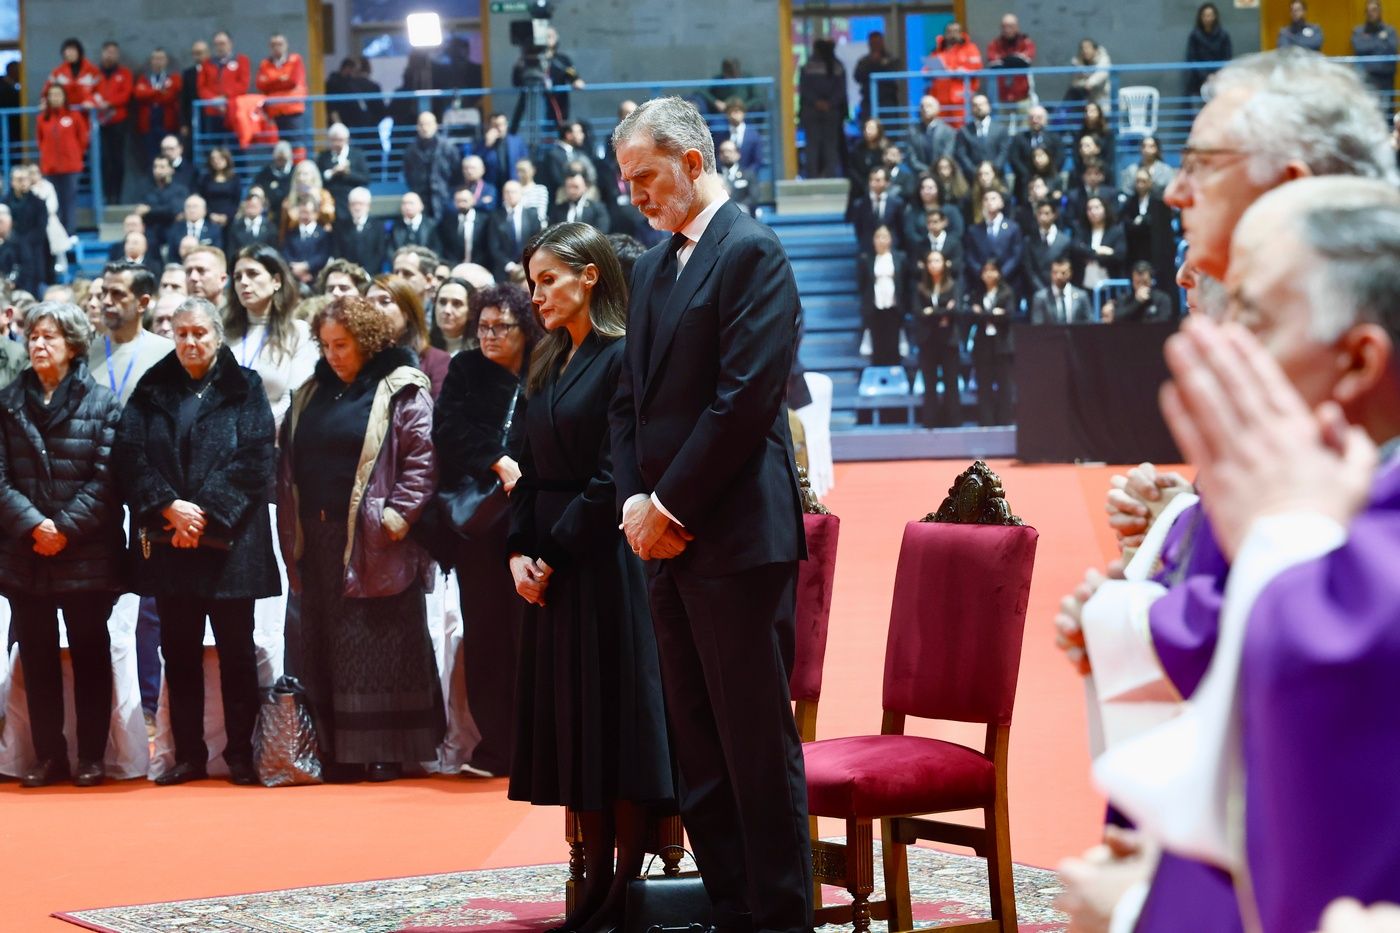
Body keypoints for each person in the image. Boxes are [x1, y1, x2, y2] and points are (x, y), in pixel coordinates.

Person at [1056, 52, 1400, 931]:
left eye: (1202, 162)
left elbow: (1336, 705)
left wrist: (1138, 911)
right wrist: (1164, 548)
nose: (1175, 188)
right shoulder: (1297, 405)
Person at [610, 96, 812, 933]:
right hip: (666, 543)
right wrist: (634, 502)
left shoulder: (753, 251)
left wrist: (669, 505)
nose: (637, 197)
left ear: (692, 163)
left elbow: (742, 404)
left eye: (646, 177)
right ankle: (731, 910)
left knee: (754, 747)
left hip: (734, 538)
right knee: (697, 746)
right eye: (627, 182)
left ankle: (780, 917)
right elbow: (627, 403)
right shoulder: (654, 268)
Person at [506, 221, 674, 930]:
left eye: (548, 279)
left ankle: (622, 890)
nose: (536, 295)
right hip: (553, 570)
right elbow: (521, 465)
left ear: (590, 277)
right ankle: (594, 879)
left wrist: (555, 550)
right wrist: (518, 550)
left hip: (605, 566)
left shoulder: (619, 356)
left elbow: (616, 472)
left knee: (619, 728)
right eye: (532, 282)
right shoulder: (546, 357)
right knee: (579, 727)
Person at [278, 295, 443, 783]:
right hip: (319, 538)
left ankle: (384, 751)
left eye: (342, 344)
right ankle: (333, 749)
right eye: (326, 345)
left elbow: (422, 457)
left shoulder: (400, 387)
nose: (333, 354)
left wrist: (396, 518)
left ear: (368, 341)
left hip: (376, 536)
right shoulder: (310, 392)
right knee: (325, 644)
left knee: (380, 646)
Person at [114, 296, 277, 786]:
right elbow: (128, 455)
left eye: (199, 333)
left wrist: (203, 512)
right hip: (170, 544)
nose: (189, 342)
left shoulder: (245, 385)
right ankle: (188, 755)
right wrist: (168, 506)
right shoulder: (151, 387)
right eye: (181, 333)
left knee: (237, 655)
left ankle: (241, 757)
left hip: (232, 543)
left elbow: (255, 459)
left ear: (217, 334)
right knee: (178, 654)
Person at [0, 301, 124, 787]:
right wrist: (34, 526)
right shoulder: (8, 401)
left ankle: (91, 756)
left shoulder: (105, 403)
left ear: (73, 346)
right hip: (24, 549)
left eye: (49, 337)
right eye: (33, 337)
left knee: (91, 652)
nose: (38, 344)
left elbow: (108, 480)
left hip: (86, 551)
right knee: (37, 655)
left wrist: (63, 529)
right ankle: (49, 755)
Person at [433, 283, 541, 778]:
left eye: (502, 327)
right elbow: (448, 431)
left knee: (532, 633)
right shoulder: (466, 368)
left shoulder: (548, 364)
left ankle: (539, 746)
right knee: (485, 634)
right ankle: (497, 746)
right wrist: (497, 461)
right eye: (484, 328)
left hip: (536, 517)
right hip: (478, 521)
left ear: (525, 328)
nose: (491, 336)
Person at [226, 243, 316, 429]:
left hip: (274, 442)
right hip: (225, 442)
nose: (243, 282)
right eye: (237, 277)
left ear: (276, 280)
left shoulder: (299, 332)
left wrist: (254, 433)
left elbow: (295, 399)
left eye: (252, 274)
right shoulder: (224, 335)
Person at [90, 262, 172, 406]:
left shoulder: (168, 353)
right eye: (104, 292)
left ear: (143, 303)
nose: (106, 301)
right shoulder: (84, 353)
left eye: (117, 294)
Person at [366, 273, 450, 398]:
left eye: (385, 302)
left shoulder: (437, 361)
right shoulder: (361, 359)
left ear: (407, 313)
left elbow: (438, 414)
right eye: (368, 303)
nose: (375, 309)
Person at [911, 249, 963, 427]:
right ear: (926, 265)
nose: (934, 264)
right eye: (931, 261)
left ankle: (953, 421)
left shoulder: (953, 285)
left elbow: (956, 310)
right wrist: (942, 312)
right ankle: (930, 422)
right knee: (929, 383)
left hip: (949, 340)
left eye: (937, 260)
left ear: (944, 264)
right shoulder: (920, 287)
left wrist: (932, 312)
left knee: (951, 382)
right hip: (927, 340)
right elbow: (918, 312)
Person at [966, 257, 1017, 425]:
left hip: (1002, 345)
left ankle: (1005, 421)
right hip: (982, 346)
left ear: (999, 273)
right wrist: (994, 314)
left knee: (1004, 386)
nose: (989, 274)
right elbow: (972, 316)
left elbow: (1008, 316)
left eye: (992, 270)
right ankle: (986, 422)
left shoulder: (1007, 292)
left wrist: (984, 314)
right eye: (985, 271)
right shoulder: (977, 294)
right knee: (984, 387)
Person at [509, 25, 585, 132]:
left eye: (550, 36)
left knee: (558, 131)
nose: (547, 39)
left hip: (557, 105)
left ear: (556, 39)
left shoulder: (562, 59)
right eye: (544, 36)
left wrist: (576, 80)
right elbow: (516, 82)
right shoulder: (527, 60)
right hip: (534, 103)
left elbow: (572, 75)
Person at [36, 84, 87, 243]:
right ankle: (56, 234)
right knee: (53, 201)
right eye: (52, 95)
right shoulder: (42, 118)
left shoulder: (75, 116)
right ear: (48, 98)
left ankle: (70, 232)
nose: (55, 98)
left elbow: (83, 139)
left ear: (64, 97)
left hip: (71, 166)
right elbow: (40, 140)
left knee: (69, 199)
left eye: (58, 94)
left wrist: (75, 154)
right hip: (50, 167)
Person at [1123, 169, 1179, 311]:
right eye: (1137, 181)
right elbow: (1126, 224)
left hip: (1156, 252)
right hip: (1137, 252)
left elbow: (1161, 229)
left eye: (1143, 181)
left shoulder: (1159, 203)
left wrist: (1142, 223)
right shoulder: (1130, 203)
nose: (1140, 184)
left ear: (1150, 183)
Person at [798, 38, 847, 180]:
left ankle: (812, 177)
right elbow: (841, 91)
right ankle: (830, 176)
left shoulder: (807, 66)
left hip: (811, 111)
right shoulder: (838, 66)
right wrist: (829, 104)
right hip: (831, 112)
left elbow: (804, 90)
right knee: (830, 146)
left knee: (812, 146)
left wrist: (816, 102)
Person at [857, 225, 906, 365]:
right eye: (878, 236)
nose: (881, 240)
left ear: (891, 239)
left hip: (894, 308)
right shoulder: (866, 258)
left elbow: (905, 283)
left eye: (884, 236)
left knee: (894, 344)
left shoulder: (900, 258)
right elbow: (862, 284)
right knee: (877, 345)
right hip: (874, 308)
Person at [93, 41, 133, 204]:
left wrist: (109, 103)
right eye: (108, 52)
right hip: (99, 122)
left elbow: (126, 93)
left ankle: (117, 195)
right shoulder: (95, 73)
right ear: (102, 53)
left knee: (117, 159)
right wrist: (98, 103)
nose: (110, 55)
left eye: (114, 52)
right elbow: (88, 93)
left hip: (118, 121)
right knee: (102, 159)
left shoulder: (125, 73)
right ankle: (104, 194)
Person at [963, 189, 1023, 293]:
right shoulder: (974, 230)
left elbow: (1016, 255)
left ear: (1001, 203)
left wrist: (1001, 273)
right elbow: (970, 255)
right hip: (981, 284)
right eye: (986, 199)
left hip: (1008, 282)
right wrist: (983, 273)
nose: (989, 202)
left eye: (993, 198)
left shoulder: (1013, 228)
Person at [984, 14, 1037, 129]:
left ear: (1017, 27)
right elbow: (993, 63)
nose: (1007, 30)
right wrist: (1014, 59)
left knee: (1025, 130)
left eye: (1010, 26)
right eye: (1004, 26)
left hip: (1023, 96)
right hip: (1003, 97)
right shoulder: (994, 44)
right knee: (1001, 130)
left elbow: (1026, 61)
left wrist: (1005, 61)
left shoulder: (1026, 42)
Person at [403, 111, 459, 218]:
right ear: (417, 127)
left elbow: (457, 173)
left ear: (436, 125)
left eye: (428, 124)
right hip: (421, 201)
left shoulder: (448, 148)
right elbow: (408, 175)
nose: (425, 128)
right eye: (421, 124)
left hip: (445, 199)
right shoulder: (411, 150)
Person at [926, 21, 982, 127]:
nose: (952, 35)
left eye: (956, 31)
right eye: (949, 32)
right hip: (940, 100)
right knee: (942, 131)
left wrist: (957, 71)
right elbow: (926, 70)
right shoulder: (937, 51)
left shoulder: (970, 49)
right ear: (945, 34)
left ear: (961, 33)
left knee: (963, 130)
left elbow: (976, 67)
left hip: (962, 100)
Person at [486, 180, 543, 282]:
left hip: (529, 268)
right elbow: (493, 246)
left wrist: (524, 263)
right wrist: (509, 266)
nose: (510, 195)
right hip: (503, 269)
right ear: (503, 195)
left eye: (514, 192)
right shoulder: (495, 216)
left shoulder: (532, 215)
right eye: (507, 192)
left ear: (521, 194)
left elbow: (537, 242)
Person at [133, 48, 181, 167]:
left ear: (166, 61)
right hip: (148, 125)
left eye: (161, 58)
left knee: (170, 155)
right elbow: (139, 94)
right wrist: (159, 91)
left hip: (167, 124)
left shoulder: (173, 77)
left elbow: (170, 96)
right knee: (151, 158)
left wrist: (150, 93)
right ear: (151, 61)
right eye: (155, 58)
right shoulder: (144, 79)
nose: (158, 61)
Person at [255, 33, 307, 143]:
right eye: (273, 44)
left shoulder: (296, 60)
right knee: (277, 146)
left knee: (296, 144)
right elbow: (261, 84)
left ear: (286, 45)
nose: (277, 47)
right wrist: (281, 79)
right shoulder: (265, 64)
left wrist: (271, 81)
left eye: (280, 44)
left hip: (292, 110)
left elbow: (293, 82)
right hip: (273, 112)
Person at [197, 30, 251, 133]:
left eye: (222, 43)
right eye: (217, 44)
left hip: (234, 109)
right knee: (213, 145)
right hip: (212, 111)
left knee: (234, 143)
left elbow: (243, 84)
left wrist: (225, 98)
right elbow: (201, 87)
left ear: (230, 44)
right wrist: (214, 100)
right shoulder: (206, 64)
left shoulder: (242, 60)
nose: (220, 47)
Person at [1009, 105, 1065, 202]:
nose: (1035, 120)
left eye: (1039, 117)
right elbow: (1014, 159)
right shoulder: (1019, 138)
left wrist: (1048, 172)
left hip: (1050, 181)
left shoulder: (1055, 138)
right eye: (1031, 117)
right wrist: (1028, 175)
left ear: (1045, 119)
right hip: (1024, 183)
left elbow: (1060, 157)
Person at [137, 156, 189, 258]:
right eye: (155, 167)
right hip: (152, 236)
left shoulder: (180, 190)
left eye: (162, 167)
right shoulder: (146, 189)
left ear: (171, 170)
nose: (158, 170)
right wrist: (163, 211)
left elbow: (174, 211)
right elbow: (141, 211)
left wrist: (150, 210)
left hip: (173, 234)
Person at [1070, 195, 1125, 290]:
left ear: (1105, 209)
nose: (1093, 212)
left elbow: (1119, 256)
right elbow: (1076, 249)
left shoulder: (1116, 231)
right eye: (1089, 209)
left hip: (1109, 285)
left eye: (1097, 207)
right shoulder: (1081, 230)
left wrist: (1088, 253)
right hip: (1084, 285)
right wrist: (1098, 251)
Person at [316, 123, 369, 218]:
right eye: (333, 140)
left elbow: (365, 179)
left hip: (351, 202)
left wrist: (347, 173)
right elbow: (317, 180)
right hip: (330, 203)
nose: (337, 144)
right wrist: (332, 172)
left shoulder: (357, 155)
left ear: (347, 140)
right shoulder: (323, 157)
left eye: (340, 140)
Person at [954, 94, 1010, 181]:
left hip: (997, 178)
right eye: (976, 105)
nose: (979, 107)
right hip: (972, 180)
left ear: (989, 106)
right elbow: (961, 154)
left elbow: (1004, 152)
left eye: (982, 104)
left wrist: (992, 171)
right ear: (971, 109)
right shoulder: (964, 131)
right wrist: (976, 172)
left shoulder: (1001, 129)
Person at [331, 186, 387, 274]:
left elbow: (380, 252)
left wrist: (365, 273)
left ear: (368, 206)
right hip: (347, 274)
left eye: (361, 204)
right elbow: (337, 252)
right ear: (349, 206)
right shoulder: (340, 226)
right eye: (354, 204)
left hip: (372, 274)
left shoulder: (378, 226)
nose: (357, 207)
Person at [1024, 200, 1073, 298]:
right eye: (1040, 213)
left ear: (1054, 215)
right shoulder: (1029, 241)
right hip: (1035, 291)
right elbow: (1029, 270)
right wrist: (1041, 289)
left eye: (1046, 213)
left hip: (1060, 289)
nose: (1043, 217)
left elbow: (1067, 267)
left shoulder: (1064, 240)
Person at [1186, 3, 1233, 99]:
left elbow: (1227, 57)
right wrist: (1205, 76)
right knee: (1200, 111)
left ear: (1215, 16)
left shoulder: (1223, 35)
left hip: (1220, 80)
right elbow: (1192, 58)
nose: (1207, 18)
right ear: (1200, 17)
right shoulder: (1194, 35)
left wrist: (1216, 75)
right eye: (1205, 15)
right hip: (1198, 81)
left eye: (1210, 15)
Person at [1102, 260, 1173, 323]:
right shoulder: (1125, 299)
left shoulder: (1162, 298)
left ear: (1151, 281)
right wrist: (1137, 302)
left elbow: (1164, 321)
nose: (1141, 286)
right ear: (1132, 282)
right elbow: (1116, 318)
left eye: (1145, 282)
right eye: (1137, 282)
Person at [279, 159, 334, 240]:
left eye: (305, 174)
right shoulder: (289, 199)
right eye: (299, 174)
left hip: (320, 240)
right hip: (296, 241)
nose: (301, 178)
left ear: (313, 176)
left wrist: (317, 199)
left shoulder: (323, 195)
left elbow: (329, 217)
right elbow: (284, 228)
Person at [473, 112, 529, 192]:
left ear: (506, 125)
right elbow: (476, 162)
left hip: (513, 184)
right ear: (489, 126)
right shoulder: (482, 144)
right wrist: (486, 146)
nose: (498, 128)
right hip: (492, 185)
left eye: (501, 125)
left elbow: (525, 161)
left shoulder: (517, 141)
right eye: (495, 125)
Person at [283, 196, 332, 284]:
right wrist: (296, 271)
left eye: (307, 212)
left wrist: (306, 267)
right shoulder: (291, 232)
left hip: (316, 278)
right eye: (301, 212)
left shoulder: (323, 234)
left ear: (316, 213)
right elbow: (286, 253)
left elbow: (323, 256)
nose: (303, 216)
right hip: (293, 279)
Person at [1353, 1, 1398, 96]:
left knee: (1386, 108)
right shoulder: (1358, 31)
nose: (1371, 13)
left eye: (1374, 10)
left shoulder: (1390, 31)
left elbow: (1392, 49)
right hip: (1366, 79)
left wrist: (1369, 44)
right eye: (1368, 11)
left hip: (1386, 79)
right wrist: (1380, 40)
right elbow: (1360, 48)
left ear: (1380, 11)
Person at [439, 188, 492, 269]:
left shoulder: (485, 220)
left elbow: (488, 246)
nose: (461, 204)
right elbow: (446, 248)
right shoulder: (448, 222)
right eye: (458, 201)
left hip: (480, 266)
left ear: (473, 200)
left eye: (465, 200)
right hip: (455, 266)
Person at [853, 31, 899, 124]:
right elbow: (857, 77)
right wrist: (871, 63)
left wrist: (880, 64)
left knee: (890, 130)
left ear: (882, 43)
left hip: (888, 102)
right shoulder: (864, 61)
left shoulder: (891, 59)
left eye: (877, 43)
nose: (875, 46)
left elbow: (894, 74)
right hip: (868, 103)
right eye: (873, 43)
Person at [1030, 256, 1091, 324]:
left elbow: (1089, 323)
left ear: (1070, 273)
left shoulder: (1081, 296)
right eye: (1055, 272)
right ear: (1051, 273)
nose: (1059, 276)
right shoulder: (1040, 298)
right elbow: (1037, 326)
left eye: (1063, 273)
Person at [43, 38, 102, 109]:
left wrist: (92, 102)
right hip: (64, 114)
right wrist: (45, 102)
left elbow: (100, 92)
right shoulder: (57, 73)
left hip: (87, 114)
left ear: (79, 52)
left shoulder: (93, 71)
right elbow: (46, 92)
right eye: (67, 51)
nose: (69, 53)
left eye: (72, 50)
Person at [906, 96, 956, 174]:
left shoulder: (947, 131)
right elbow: (911, 157)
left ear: (937, 109)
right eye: (922, 106)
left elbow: (947, 154)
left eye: (929, 106)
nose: (925, 109)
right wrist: (925, 170)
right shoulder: (912, 131)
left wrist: (936, 170)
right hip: (920, 176)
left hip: (941, 174)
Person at [715, 98, 764, 177]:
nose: (733, 115)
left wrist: (746, 175)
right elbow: (717, 158)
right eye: (730, 112)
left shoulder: (754, 136)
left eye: (736, 111)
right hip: (726, 180)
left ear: (743, 113)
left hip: (748, 182)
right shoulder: (721, 135)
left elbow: (758, 161)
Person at [166, 194, 224, 259]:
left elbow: (217, 254)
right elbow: (171, 256)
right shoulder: (176, 229)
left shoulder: (214, 229)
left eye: (195, 207)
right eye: (188, 207)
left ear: (204, 210)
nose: (192, 210)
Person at [197, 147, 241, 228]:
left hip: (229, 220)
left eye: (220, 158)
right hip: (209, 219)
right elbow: (202, 199)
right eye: (213, 158)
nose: (216, 161)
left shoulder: (234, 178)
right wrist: (210, 214)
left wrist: (227, 217)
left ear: (227, 159)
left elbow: (236, 201)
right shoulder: (205, 179)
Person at [387, 192, 442, 257]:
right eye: (404, 203)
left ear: (421, 206)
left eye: (411, 203)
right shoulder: (395, 227)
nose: (407, 207)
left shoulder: (432, 225)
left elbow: (437, 250)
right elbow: (390, 250)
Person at [428, 276, 473, 355]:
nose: (447, 310)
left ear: (471, 311)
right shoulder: (422, 345)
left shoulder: (481, 350)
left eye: (456, 304)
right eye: (442, 302)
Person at [847, 117, 887, 204]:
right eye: (866, 128)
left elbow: (887, 169)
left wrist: (876, 183)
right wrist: (865, 184)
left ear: (879, 130)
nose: (868, 131)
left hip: (881, 187)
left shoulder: (885, 148)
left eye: (872, 128)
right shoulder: (857, 148)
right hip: (860, 188)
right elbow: (852, 169)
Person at [227, 187, 277, 253]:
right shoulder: (234, 227)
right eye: (250, 206)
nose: (251, 210)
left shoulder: (271, 228)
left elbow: (272, 253)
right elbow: (231, 251)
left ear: (262, 207)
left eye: (254, 206)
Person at [252, 141, 295, 219]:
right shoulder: (265, 172)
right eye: (279, 158)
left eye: (283, 159)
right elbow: (256, 187)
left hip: (290, 212)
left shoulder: (295, 171)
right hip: (269, 212)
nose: (281, 161)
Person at [1067, 38, 1112, 112]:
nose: (1085, 51)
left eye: (1088, 48)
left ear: (1095, 49)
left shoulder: (1103, 58)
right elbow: (1075, 83)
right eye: (1082, 48)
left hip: (1102, 98)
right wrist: (1085, 83)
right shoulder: (1077, 62)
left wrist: (1090, 82)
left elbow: (1102, 73)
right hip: (1084, 99)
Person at [184, 245, 229, 311]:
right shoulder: (178, 316)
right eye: (188, 271)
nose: (193, 277)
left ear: (222, 280)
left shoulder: (238, 317)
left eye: (201, 271)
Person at [179, 40, 210, 137]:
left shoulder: (214, 71)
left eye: (201, 53)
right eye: (195, 53)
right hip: (194, 116)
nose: (198, 56)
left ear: (207, 53)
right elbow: (184, 99)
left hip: (212, 115)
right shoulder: (188, 74)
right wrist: (183, 123)